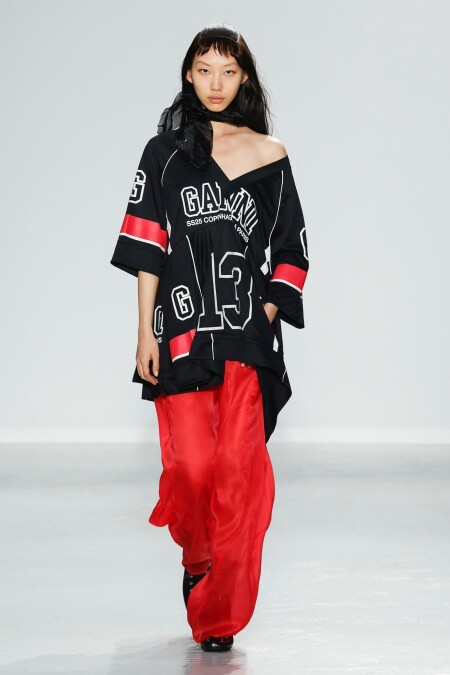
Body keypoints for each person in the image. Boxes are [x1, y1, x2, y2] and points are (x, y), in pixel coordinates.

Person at [110, 23, 309, 652]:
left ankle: (218, 616)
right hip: (180, 333)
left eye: (228, 70)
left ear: (244, 77)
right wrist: (144, 330)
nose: (216, 83)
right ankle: (198, 559)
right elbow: (148, 244)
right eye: (204, 69)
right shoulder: (164, 154)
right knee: (193, 470)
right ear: (188, 75)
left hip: (245, 341)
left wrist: (265, 315)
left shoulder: (271, 155)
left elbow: (293, 250)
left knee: (236, 477)